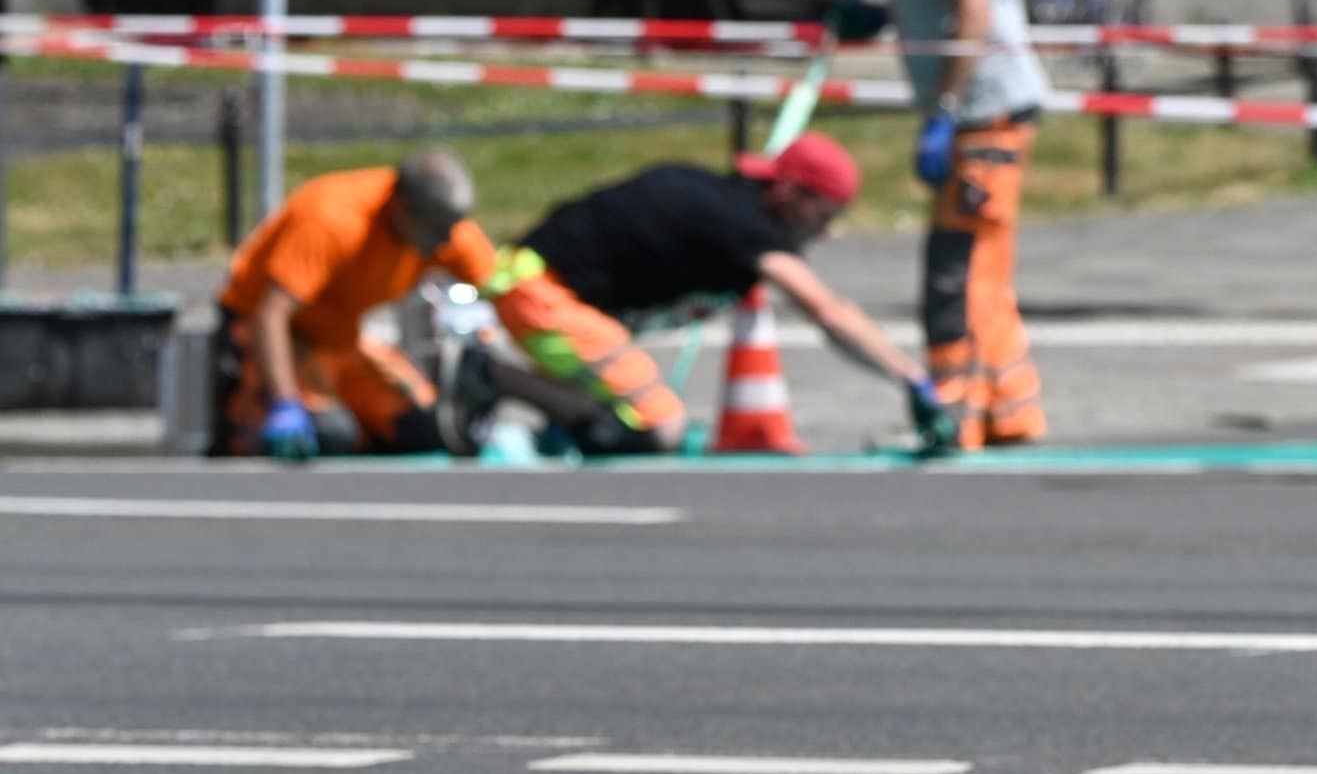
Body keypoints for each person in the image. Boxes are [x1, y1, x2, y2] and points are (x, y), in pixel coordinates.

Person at [476, 132, 956, 456]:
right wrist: (911, 378)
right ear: (790, 194)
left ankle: (539, 408)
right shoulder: (742, 225)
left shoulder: (732, 211)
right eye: (824, 216)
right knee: (656, 426)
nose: (826, 233)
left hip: (551, 294)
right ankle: (486, 374)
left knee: (614, 417)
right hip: (540, 295)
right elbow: (827, 312)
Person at [834, 0, 1048, 449]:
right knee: (986, 263)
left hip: (981, 113)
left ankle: (954, 410)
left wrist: (946, 109)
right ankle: (1008, 408)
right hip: (994, 108)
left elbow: (974, 11)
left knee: (956, 272)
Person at [210, 149, 499, 460]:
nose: (446, 242)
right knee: (330, 433)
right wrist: (285, 401)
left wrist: (494, 350)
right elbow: (271, 315)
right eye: (437, 230)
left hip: (340, 341)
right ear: (403, 208)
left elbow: (498, 285)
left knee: (424, 427)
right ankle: (250, 421)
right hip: (272, 338)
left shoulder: (444, 228)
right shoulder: (331, 219)